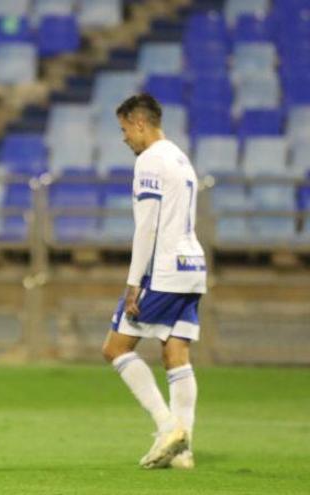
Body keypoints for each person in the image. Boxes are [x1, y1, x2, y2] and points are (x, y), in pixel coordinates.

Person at [102, 93, 206, 469]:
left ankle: (168, 428)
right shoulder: (180, 157)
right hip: (192, 265)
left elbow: (147, 226)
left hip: (162, 269)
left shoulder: (149, 161)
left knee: (115, 348)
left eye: (125, 128)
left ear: (140, 123)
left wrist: (134, 283)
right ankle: (184, 453)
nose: (124, 137)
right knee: (175, 354)